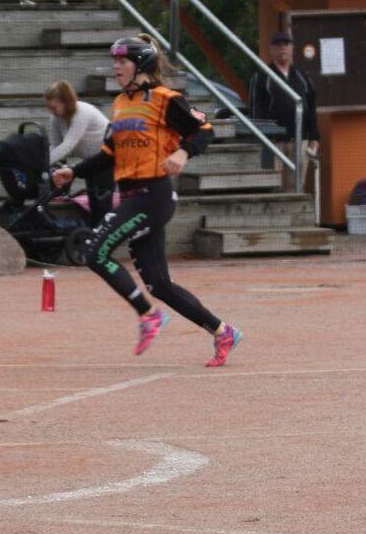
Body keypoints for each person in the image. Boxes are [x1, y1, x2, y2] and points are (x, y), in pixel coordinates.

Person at [52, 35, 242, 368]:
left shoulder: (167, 99)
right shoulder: (121, 103)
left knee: (95, 252)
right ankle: (222, 331)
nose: (116, 67)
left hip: (153, 195)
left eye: (122, 61)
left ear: (139, 65)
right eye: (114, 61)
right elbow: (109, 153)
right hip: (131, 195)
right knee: (159, 284)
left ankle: (148, 315)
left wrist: (183, 153)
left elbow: (204, 129)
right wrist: (74, 172)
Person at [247, 30, 318, 193]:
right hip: (271, 142)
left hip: (300, 140)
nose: (282, 48)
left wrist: (314, 137)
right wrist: (263, 139)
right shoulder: (261, 76)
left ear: (292, 48)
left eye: (286, 44)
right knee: (271, 186)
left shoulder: (303, 76)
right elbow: (255, 108)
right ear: (271, 50)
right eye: (278, 45)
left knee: (296, 186)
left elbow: (311, 106)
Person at [43, 79, 112, 226]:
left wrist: (43, 164)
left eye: (54, 107)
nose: (52, 111)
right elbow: (55, 145)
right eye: (49, 108)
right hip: (90, 161)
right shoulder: (55, 117)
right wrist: (45, 162)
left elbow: (68, 145)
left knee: (102, 201)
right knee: (93, 199)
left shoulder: (82, 113)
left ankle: (103, 231)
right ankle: (94, 231)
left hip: (105, 159)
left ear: (65, 102)